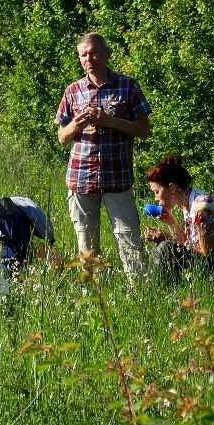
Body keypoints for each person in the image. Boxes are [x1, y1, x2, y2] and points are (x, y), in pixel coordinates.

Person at [56, 33, 151, 276]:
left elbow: (144, 130)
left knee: (129, 238)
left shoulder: (127, 86)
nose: (89, 58)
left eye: (94, 52)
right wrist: (75, 125)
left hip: (117, 178)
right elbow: (62, 137)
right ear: (80, 59)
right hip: (81, 178)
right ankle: (95, 296)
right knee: (87, 245)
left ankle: (139, 292)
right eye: (83, 54)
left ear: (107, 54)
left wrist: (109, 121)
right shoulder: (73, 91)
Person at [143, 154, 214, 282]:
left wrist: (169, 239)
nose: (155, 198)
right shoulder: (188, 202)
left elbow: (206, 255)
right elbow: (189, 243)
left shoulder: (202, 208)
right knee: (159, 249)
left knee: (165, 248)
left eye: (157, 192)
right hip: (209, 264)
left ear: (172, 188)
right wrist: (171, 221)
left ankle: (162, 291)